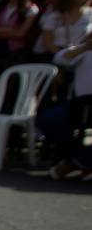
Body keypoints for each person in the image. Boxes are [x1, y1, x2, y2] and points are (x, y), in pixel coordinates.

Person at [38, 30, 92, 179]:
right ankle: (81, 160)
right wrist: (85, 46)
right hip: (80, 103)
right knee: (48, 119)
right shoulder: (85, 50)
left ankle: (74, 163)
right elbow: (60, 57)